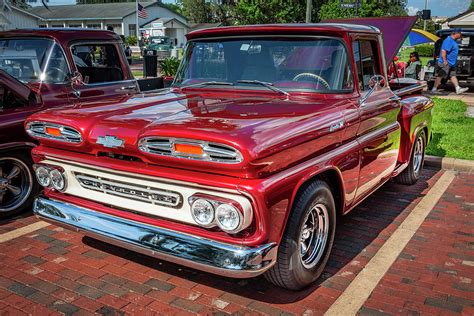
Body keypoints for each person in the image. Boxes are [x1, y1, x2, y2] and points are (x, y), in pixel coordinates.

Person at [431, 28, 469, 94]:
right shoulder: (449, 40)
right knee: (440, 76)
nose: (460, 35)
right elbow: (443, 51)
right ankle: (434, 89)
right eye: (460, 34)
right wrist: (445, 61)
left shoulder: (453, 41)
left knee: (452, 75)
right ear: (456, 33)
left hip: (451, 63)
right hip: (446, 63)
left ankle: (458, 89)